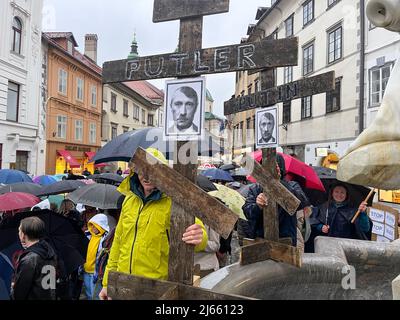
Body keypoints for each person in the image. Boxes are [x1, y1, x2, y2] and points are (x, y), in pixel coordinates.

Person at [98, 148, 208, 300]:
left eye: (153, 172)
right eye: (143, 171)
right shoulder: (129, 200)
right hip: (124, 287)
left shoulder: (174, 202)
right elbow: (118, 243)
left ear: (163, 174)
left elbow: (199, 234)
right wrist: (107, 283)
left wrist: (200, 236)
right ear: (135, 171)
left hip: (156, 290)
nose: (147, 177)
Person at [242, 154, 310, 246]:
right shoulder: (255, 189)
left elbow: (301, 203)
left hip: (286, 241)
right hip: (261, 241)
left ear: (281, 169)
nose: (269, 172)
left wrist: (278, 183)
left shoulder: (292, 185)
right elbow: (247, 212)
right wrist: (257, 206)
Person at [308, 184, 371, 249]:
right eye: (336, 192)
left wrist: (363, 213)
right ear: (332, 193)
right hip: (326, 245)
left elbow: (365, 228)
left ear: (346, 195)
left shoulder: (354, 210)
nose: (339, 195)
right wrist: (320, 227)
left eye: (342, 192)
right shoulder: (323, 207)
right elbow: (312, 221)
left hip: (346, 246)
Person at [11, 217, 57, 300]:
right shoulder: (49, 251)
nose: (18, 233)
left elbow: (20, 293)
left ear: (23, 234)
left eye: (19, 230)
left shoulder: (29, 259)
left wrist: (13, 286)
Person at [82, 214, 111, 300]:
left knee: (95, 295)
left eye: (95, 226)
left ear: (101, 226)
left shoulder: (105, 239)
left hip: (95, 273)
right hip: (86, 270)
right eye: (91, 226)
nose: (93, 228)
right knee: (88, 294)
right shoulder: (89, 236)